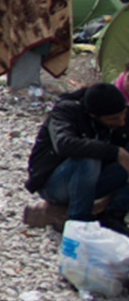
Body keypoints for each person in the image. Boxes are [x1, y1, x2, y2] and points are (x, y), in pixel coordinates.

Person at [25, 83, 129, 234]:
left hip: (95, 182)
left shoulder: (122, 118)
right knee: (87, 159)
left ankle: (113, 215)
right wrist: (116, 153)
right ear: (94, 115)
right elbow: (64, 144)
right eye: (113, 119)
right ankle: (79, 221)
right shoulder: (66, 111)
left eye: (123, 116)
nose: (121, 123)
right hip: (57, 184)